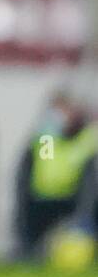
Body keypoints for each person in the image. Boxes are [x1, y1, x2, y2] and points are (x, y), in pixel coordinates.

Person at [13, 89, 98, 260]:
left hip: (73, 202)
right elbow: (46, 168)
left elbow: (89, 182)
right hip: (42, 202)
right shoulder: (47, 138)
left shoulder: (86, 138)